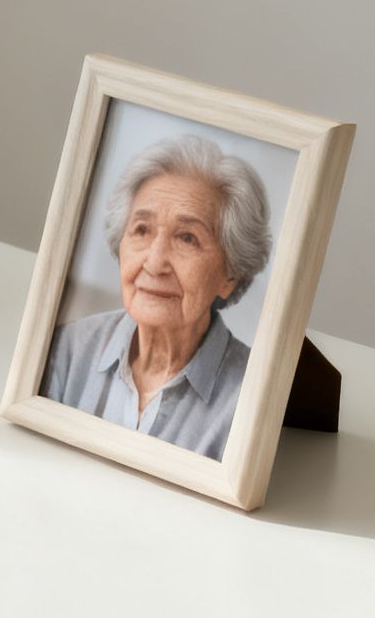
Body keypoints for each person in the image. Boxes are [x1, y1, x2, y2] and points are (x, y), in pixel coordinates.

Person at [40, 133, 273, 461]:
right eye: (142, 230)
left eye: (187, 238)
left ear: (231, 275)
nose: (154, 262)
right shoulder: (66, 350)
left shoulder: (253, 400)